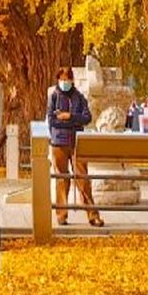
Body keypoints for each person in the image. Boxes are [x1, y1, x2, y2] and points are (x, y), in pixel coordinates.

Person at [47, 67, 102, 228]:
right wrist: (71, 122)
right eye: (62, 79)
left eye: (67, 79)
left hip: (77, 142)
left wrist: (69, 116)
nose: (64, 82)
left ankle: (93, 215)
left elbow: (87, 118)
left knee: (83, 179)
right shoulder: (54, 97)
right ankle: (61, 214)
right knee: (62, 179)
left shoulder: (79, 97)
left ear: (72, 80)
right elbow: (52, 121)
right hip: (59, 143)